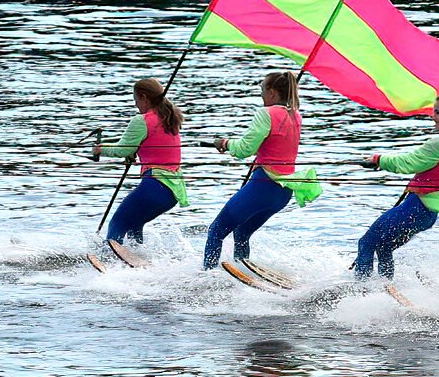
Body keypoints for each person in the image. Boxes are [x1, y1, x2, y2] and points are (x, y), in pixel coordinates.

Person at [202, 71, 322, 270]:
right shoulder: (296, 115)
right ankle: (243, 271)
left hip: (263, 186)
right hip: (283, 192)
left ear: (273, 93)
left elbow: (244, 149)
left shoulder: (265, 113)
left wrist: (225, 143)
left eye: (262, 91)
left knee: (216, 231)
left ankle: (205, 278)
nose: (261, 96)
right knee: (242, 233)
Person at [353, 94, 439, 280]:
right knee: (384, 246)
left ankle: (361, 290)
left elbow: (408, 162)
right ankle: (384, 287)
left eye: (437, 112)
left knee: (366, 244)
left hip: (414, 208)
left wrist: (378, 160)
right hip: (427, 214)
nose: (433, 117)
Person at [94, 78, 187, 244]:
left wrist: (101, 149)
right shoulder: (170, 118)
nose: (136, 104)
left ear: (144, 97)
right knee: (134, 224)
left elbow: (124, 149)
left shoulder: (141, 120)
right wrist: (136, 150)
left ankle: (108, 261)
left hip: (155, 186)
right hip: (173, 192)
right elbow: (153, 143)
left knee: (118, 223)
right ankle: (138, 261)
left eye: (135, 99)